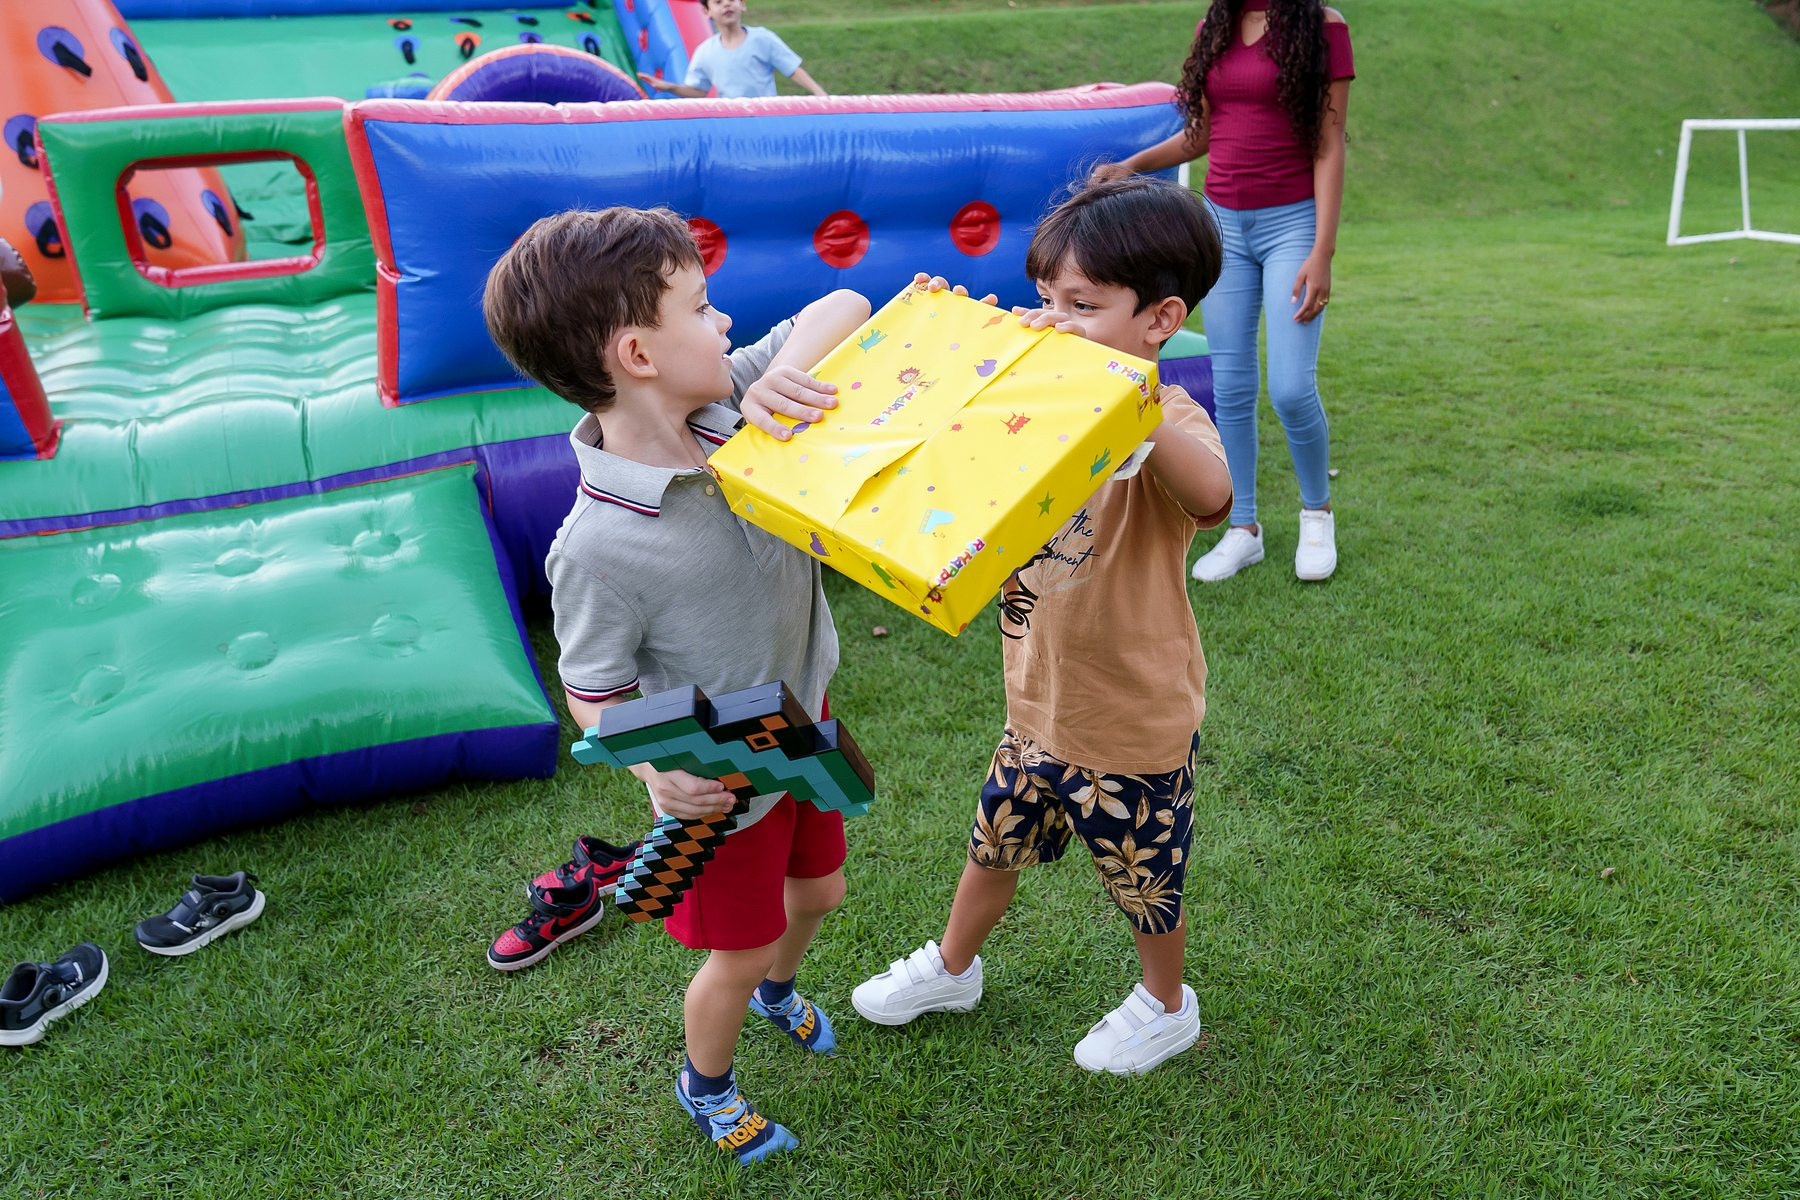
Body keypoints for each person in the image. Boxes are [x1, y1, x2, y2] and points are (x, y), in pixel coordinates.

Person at [482, 206, 869, 1165]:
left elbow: (848, 304)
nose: (725, 322)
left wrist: (783, 372)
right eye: (700, 306)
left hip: (805, 723)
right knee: (739, 950)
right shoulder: (595, 548)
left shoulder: (732, 400)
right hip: (722, 787)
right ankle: (709, 1084)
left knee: (820, 892)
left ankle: (781, 991)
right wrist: (655, 773)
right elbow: (593, 689)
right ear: (638, 354)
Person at [851, 175, 1235, 1076]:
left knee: (1144, 883)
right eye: (1045, 300)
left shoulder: (1167, 418)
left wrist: (1136, 416)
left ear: (1160, 320)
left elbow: (1213, 494)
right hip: (1035, 708)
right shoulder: (1032, 408)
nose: (1054, 322)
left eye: (1082, 306)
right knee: (992, 848)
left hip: (1130, 721)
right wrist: (951, 340)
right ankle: (953, 968)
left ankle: (1166, 1005)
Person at [1096, 0, 1352, 583]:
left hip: (1293, 226)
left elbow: (1330, 142)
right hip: (1222, 228)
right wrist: (1133, 165)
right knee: (1232, 386)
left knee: (1291, 388)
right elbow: (1202, 135)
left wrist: (1323, 251)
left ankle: (1317, 515)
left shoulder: (1323, 27)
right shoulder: (1213, 28)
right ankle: (1244, 528)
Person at [638, 0, 827, 100]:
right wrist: (670, 87)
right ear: (706, 12)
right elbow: (699, 91)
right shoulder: (705, 52)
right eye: (718, 2)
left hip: (766, 116)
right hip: (732, 122)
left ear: (742, 4)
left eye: (731, 0)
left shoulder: (762, 39)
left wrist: (820, 94)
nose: (726, 4)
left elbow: (792, 70)